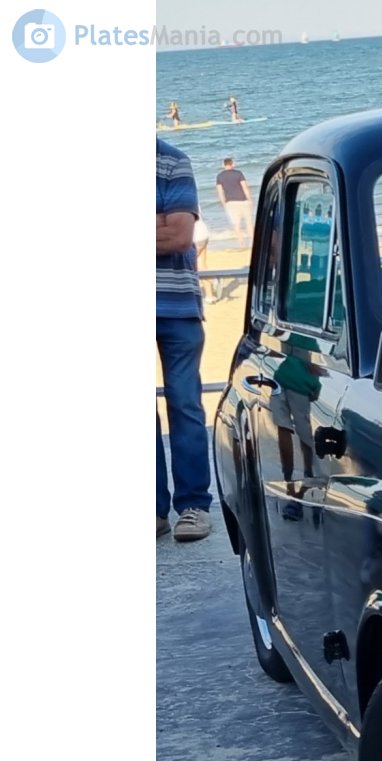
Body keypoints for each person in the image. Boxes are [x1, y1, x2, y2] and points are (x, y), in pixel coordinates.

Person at [156, 137, 212, 541]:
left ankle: (193, 506)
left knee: (186, 404)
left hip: (177, 305)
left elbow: (179, 236)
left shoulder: (172, 161)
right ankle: (153, 512)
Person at [215, 157, 253, 245]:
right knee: (249, 223)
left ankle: (241, 242)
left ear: (223, 165)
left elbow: (220, 192)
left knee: (236, 224)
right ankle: (253, 242)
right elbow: (245, 187)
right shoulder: (239, 173)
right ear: (233, 164)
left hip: (230, 203)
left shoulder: (219, 176)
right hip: (243, 201)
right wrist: (250, 199)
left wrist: (223, 203)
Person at [193, 213, 218, 303]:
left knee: (189, 266)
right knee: (201, 265)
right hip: (202, 232)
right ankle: (209, 296)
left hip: (193, 235)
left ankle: (212, 279)